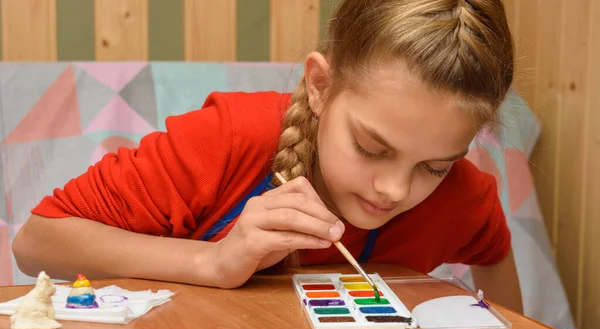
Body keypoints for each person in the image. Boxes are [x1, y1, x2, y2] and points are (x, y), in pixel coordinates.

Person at [12, 0, 523, 313]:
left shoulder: (463, 195)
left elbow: (496, 266)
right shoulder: (230, 139)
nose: (393, 189)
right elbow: (36, 243)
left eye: (433, 167)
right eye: (371, 148)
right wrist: (211, 261)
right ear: (320, 86)